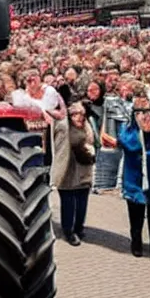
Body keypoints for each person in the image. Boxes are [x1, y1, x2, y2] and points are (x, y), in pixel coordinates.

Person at [118, 95, 150, 260]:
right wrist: (143, 137)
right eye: (140, 112)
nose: (144, 115)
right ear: (134, 114)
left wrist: (148, 136)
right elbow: (130, 147)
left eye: (147, 111)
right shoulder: (128, 131)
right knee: (136, 214)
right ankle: (136, 243)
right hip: (135, 180)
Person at [57, 102, 96, 246]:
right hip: (68, 171)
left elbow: (93, 141)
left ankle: (79, 227)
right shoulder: (64, 129)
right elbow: (74, 141)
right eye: (75, 114)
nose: (79, 117)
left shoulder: (87, 127)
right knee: (68, 203)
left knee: (82, 203)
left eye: (81, 114)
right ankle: (68, 230)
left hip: (84, 171)